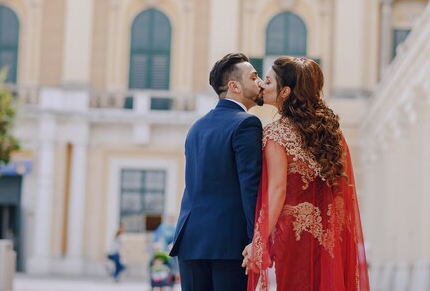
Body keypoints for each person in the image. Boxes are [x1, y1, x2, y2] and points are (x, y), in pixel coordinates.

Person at [242, 56, 370, 291]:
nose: (262, 85)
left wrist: (259, 240)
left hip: (295, 236)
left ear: (285, 92)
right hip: (331, 236)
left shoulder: (276, 134)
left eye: (268, 82)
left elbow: (278, 190)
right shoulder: (331, 134)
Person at [170, 53, 264, 291]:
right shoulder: (246, 124)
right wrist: (257, 239)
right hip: (229, 245)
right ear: (234, 86)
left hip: (190, 242)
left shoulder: (196, 127)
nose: (260, 82)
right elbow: (250, 185)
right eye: (254, 77)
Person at [151, 214, 179, 281]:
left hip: (172, 251)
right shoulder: (162, 227)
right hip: (163, 251)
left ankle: (171, 282)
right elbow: (155, 237)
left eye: (172, 219)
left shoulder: (174, 228)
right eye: (169, 219)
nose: (170, 220)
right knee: (162, 267)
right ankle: (161, 282)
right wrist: (156, 244)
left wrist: (172, 244)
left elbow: (176, 238)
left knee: (172, 267)